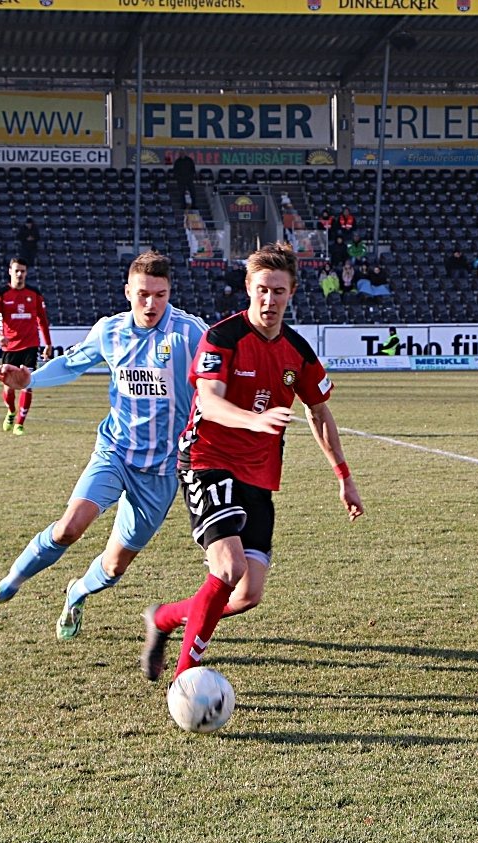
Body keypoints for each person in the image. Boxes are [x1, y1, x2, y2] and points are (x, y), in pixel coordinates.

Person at [139, 242, 365, 683]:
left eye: (278, 291)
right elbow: (209, 401)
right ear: (248, 288)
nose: (269, 299)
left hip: (258, 473)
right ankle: (186, 678)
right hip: (208, 458)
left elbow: (319, 413)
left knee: (246, 594)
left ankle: (164, 618)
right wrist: (254, 419)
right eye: (262, 289)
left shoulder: (298, 351)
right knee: (228, 568)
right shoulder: (223, 337)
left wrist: (344, 477)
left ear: (292, 292)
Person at [0, 252, 207, 640]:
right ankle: (6, 586)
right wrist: (29, 380)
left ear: (169, 292)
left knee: (115, 566)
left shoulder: (189, 333)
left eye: (160, 295)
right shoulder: (110, 331)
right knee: (68, 529)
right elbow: (72, 363)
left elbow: (223, 363)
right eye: (143, 294)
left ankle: (77, 592)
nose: (151, 303)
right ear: (128, 292)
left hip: (160, 471)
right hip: (115, 452)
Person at [0, 257, 52, 435]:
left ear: (26, 273)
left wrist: (48, 343)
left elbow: (43, 321)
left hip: (31, 345)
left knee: (27, 384)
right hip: (10, 347)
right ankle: (11, 410)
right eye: (16, 270)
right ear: (10, 271)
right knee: (8, 388)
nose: (19, 274)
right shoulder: (1, 293)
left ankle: (20, 423)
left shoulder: (35, 294)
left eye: (22, 271)